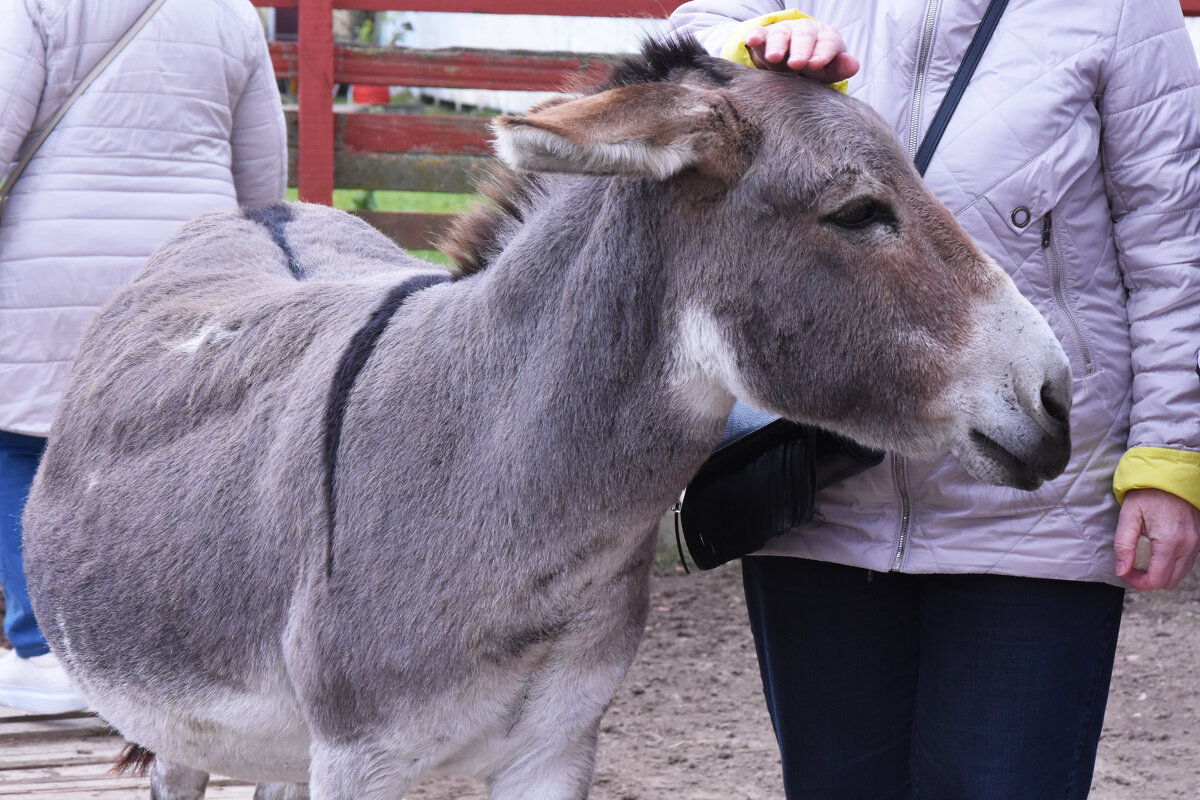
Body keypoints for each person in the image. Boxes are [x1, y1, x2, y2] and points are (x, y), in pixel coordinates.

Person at [671, 2, 1200, 797]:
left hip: (1034, 501)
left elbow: (1175, 244)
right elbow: (674, 49)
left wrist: (1170, 455)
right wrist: (743, 53)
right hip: (819, 490)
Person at [0, 0, 286, 713]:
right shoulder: (230, 13)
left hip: (50, 265)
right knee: (178, 456)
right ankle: (165, 661)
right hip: (192, 265)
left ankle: (44, 653)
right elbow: (262, 176)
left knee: (22, 441)